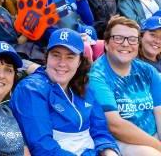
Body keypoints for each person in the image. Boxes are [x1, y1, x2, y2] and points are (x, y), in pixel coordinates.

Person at [10, 28, 120, 156]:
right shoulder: (31, 89)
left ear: (79, 61)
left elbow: (100, 130)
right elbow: (42, 146)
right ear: (47, 57)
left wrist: (110, 152)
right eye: (56, 55)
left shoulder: (83, 85)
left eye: (70, 57)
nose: (62, 63)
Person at [88, 16, 161, 155]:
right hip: (121, 142)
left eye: (132, 39)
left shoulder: (148, 70)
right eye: (118, 38)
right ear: (107, 43)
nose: (126, 44)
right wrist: (158, 146)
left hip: (154, 137)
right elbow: (115, 125)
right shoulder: (97, 75)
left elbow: (160, 112)